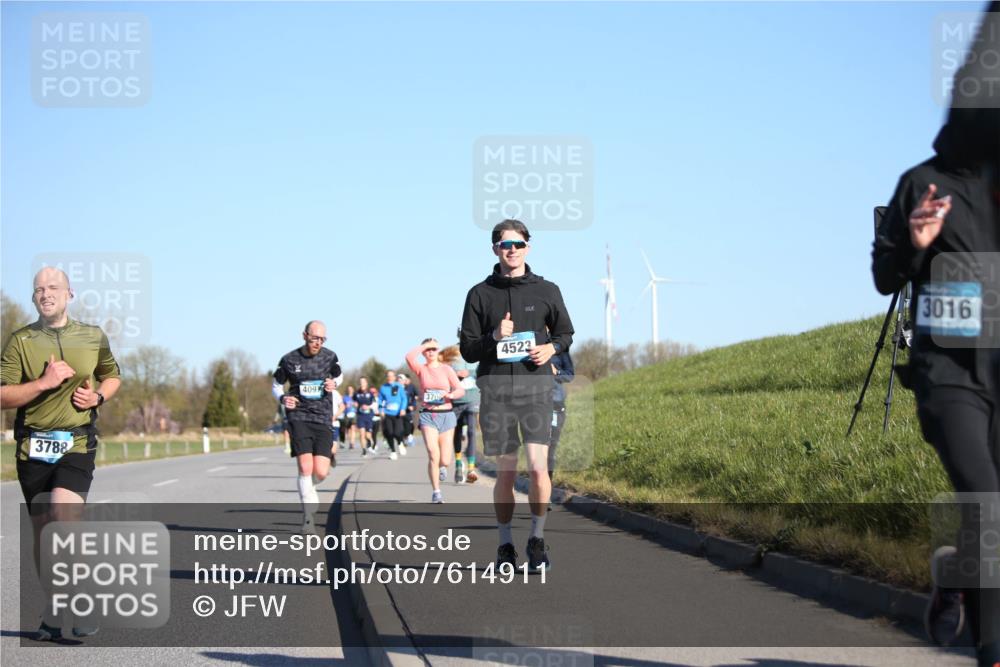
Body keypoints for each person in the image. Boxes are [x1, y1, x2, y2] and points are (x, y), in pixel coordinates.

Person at [873, 6, 999, 663]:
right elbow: (883, 274)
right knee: (986, 501)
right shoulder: (919, 184)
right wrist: (916, 244)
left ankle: (954, 570)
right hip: (947, 373)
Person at [1, 267, 122, 641]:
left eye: (53, 287)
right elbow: (3, 395)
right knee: (43, 533)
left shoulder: (91, 335)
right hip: (32, 446)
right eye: (38, 289)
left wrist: (99, 396)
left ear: (70, 293)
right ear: (33, 297)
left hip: (76, 443)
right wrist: (43, 383)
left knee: (62, 514)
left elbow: (112, 374)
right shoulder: (21, 340)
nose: (45, 293)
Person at [460, 219, 574, 572]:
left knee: (539, 469)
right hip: (496, 392)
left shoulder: (547, 290)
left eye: (518, 244)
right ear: (495, 249)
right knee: (507, 473)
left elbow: (566, 333)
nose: (512, 250)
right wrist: (494, 335)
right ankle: (505, 543)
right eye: (505, 244)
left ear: (528, 246)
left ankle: (537, 539)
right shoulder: (479, 294)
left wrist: (551, 349)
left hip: (537, 389)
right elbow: (467, 350)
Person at [271, 320, 343, 535]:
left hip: (322, 417)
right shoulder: (289, 360)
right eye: (314, 338)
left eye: (322, 339)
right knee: (305, 467)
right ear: (304, 335)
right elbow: (276, 385)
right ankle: (308, 519)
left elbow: (338, 375)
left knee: (320, 472)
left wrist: (334, 384)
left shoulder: (330, 356)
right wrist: (283, 398)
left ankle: (309, 487)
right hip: (299, 416)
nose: (318, 343)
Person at [406, 338, 465, 503]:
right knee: (433, 454)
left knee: (445, 459)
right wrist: (424, 345)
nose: (431, 352)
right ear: (424, 352)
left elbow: (460, 389)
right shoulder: (421, 369)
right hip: (428, 415)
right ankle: (436, 492)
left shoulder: (446, 369)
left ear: (438, 350)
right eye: (428, 350)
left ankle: (444, 467)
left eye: (434, 349)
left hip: (446, 414)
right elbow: (409, 357)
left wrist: (451, 395)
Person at [444, 340, 481, 484]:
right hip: (456, 400)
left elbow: (483, 369)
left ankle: (472, 469)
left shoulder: (479, 348)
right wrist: (457, 375)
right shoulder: (451, 353)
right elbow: (444, 373)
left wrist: (470, 372)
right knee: (457, 432)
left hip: (473, 398)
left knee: (472, 432)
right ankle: (459, 463)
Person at [548, 347, 575, 486]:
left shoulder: (560, 349)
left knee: (550, 448)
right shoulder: (530, 343)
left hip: (555, 405)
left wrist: (556, 372)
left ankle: (545, 493)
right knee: (536, 448)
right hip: (533, 404)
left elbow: (570, 375)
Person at [378, 370, 409, 460]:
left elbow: (404, 399)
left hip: (398, 413)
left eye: (391, 376)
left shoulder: (399, 386)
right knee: (389, 433)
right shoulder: (383, 387)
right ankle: (393, 451)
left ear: (394, 377)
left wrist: (403, 409)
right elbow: (380, 400)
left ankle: (400, 443)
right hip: (387, 413)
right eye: (388, 376)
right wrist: (381, 410)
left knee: (398, 432)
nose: (389, 377)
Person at [353, 378, 376, 454]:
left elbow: (375, 404)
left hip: (369, 416)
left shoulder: (370, 393)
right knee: (362, 434)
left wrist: (368, 407)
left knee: (367, 435)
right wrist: (355, 404)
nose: (362, 383)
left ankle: (369, 441)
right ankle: (364, 450)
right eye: (360, 382)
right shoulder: (356, 393)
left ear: (366, 383)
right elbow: (353, 402)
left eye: (363, 382)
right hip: (360, 416)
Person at [399, 373, 418, 446]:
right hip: (400, 410)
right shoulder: (399, 387)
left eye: (406, 379)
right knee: (401, 425)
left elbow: (415, 396)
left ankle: (409, 435)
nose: (405, 381)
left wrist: (413, 405)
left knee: (410, 424)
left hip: (409, 409)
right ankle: (403, 439)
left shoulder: (411, 387)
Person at [340, 385, 357, 450]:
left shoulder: (355, 397)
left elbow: (358, 404)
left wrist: (356, 405)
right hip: (347, 414)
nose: (350, 390)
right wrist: (345, 405)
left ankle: (352, 443)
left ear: (353, 390)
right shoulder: (345, 397)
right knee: (348, 430)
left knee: (353, 428)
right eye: (348, 389)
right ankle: (347, 441)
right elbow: (342, 405)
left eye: (351, 389)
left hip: (354, 414)